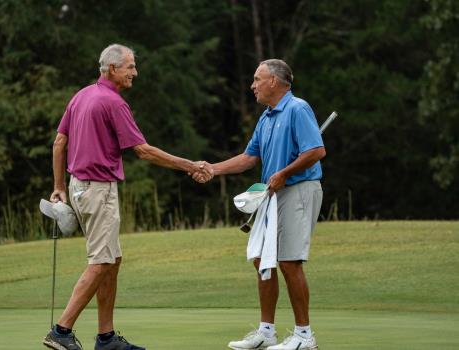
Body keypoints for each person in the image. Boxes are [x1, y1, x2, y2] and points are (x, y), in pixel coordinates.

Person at [43, 43, 211, 350]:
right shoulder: (113, 102)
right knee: (101, 261)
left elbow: (58, 143)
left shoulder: (81, 95)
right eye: (130, 66)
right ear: (112, 69)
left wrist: (60, 187)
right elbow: (143, 151)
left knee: (112, 259)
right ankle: (61, 330)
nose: (135, 72)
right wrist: (189, 165)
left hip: (79, 186)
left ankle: (106, 338)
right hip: (99, 190)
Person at [200, 59, 325, 350]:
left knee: (289, 261)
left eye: (257, 79)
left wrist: (284, 172)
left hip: (299, 189)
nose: (252, 85)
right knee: (262, 260)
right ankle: (267, 332)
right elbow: (249, 158)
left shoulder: (297, 108)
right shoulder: (267, 117)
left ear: (275, 81)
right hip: (274, 193)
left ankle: (304, 336)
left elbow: (317, 150)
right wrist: (212, 169)